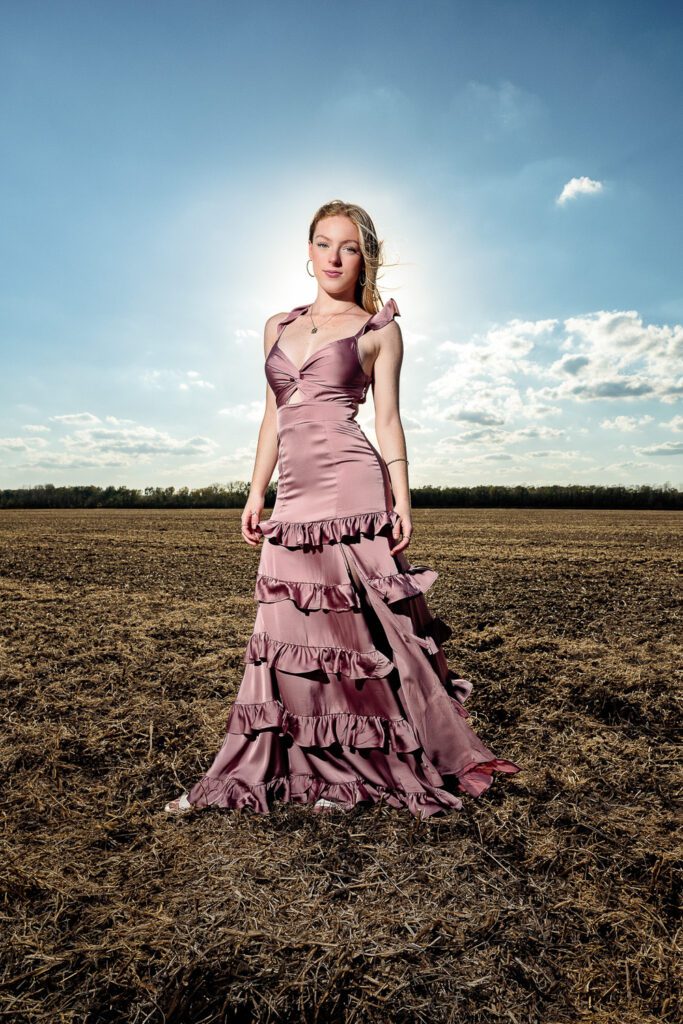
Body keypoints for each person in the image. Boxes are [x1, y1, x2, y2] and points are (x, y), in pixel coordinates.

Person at [164, 199, 521, 818]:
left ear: (364, 258)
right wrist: (256, 491)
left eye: (348, 246)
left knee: (352, 630)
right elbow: (273, 414)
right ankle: (304, 757)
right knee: (290, 630)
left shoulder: (379, 329)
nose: (334, 257)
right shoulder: (277, 325)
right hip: (295, 491)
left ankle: (359, 763)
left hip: (353, 484)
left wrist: (402, 497)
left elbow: (388, 420)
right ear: (307, 252)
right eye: (323, 244)